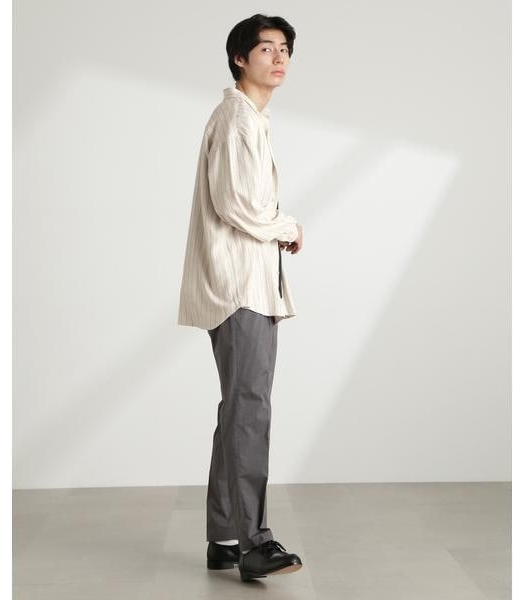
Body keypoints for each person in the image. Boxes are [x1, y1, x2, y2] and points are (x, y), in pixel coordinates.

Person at [177, 13, 304, 582]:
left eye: (285, 49)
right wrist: (287, 226)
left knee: (238, 409)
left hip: (245, 284)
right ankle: (255, 542)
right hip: (239, 288)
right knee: (249, 409)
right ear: (239, 58)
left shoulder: (250, 118)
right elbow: (236, 204)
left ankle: (225, 538)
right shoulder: (236, 119)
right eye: (266, 48)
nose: (278, 58)